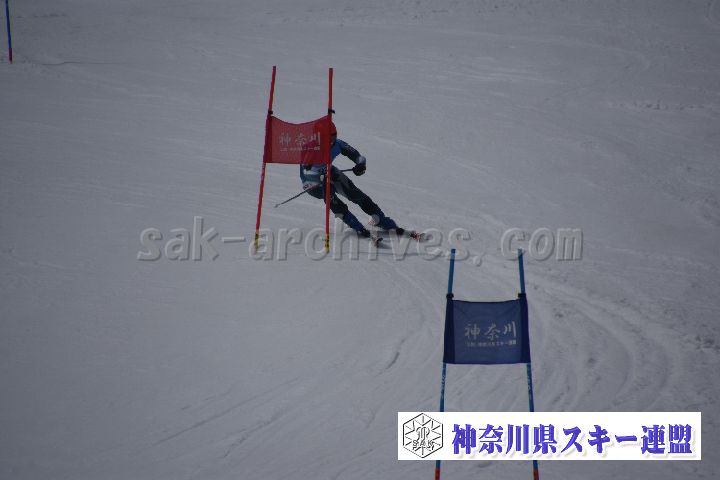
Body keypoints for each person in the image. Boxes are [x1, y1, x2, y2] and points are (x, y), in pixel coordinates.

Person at [299, 122, 403, 238]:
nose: (331, 142)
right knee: (331, 197)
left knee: (355, 193)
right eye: (328, 138)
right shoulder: (309, 148)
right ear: (319, 137)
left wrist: (360, 165)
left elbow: (357, 156)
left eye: (333, 137)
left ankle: (381, 220)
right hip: (311, 182)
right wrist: (321, 176)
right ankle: (355, 225)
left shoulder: (337, 144)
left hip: (330, 172)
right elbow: (306, 172)